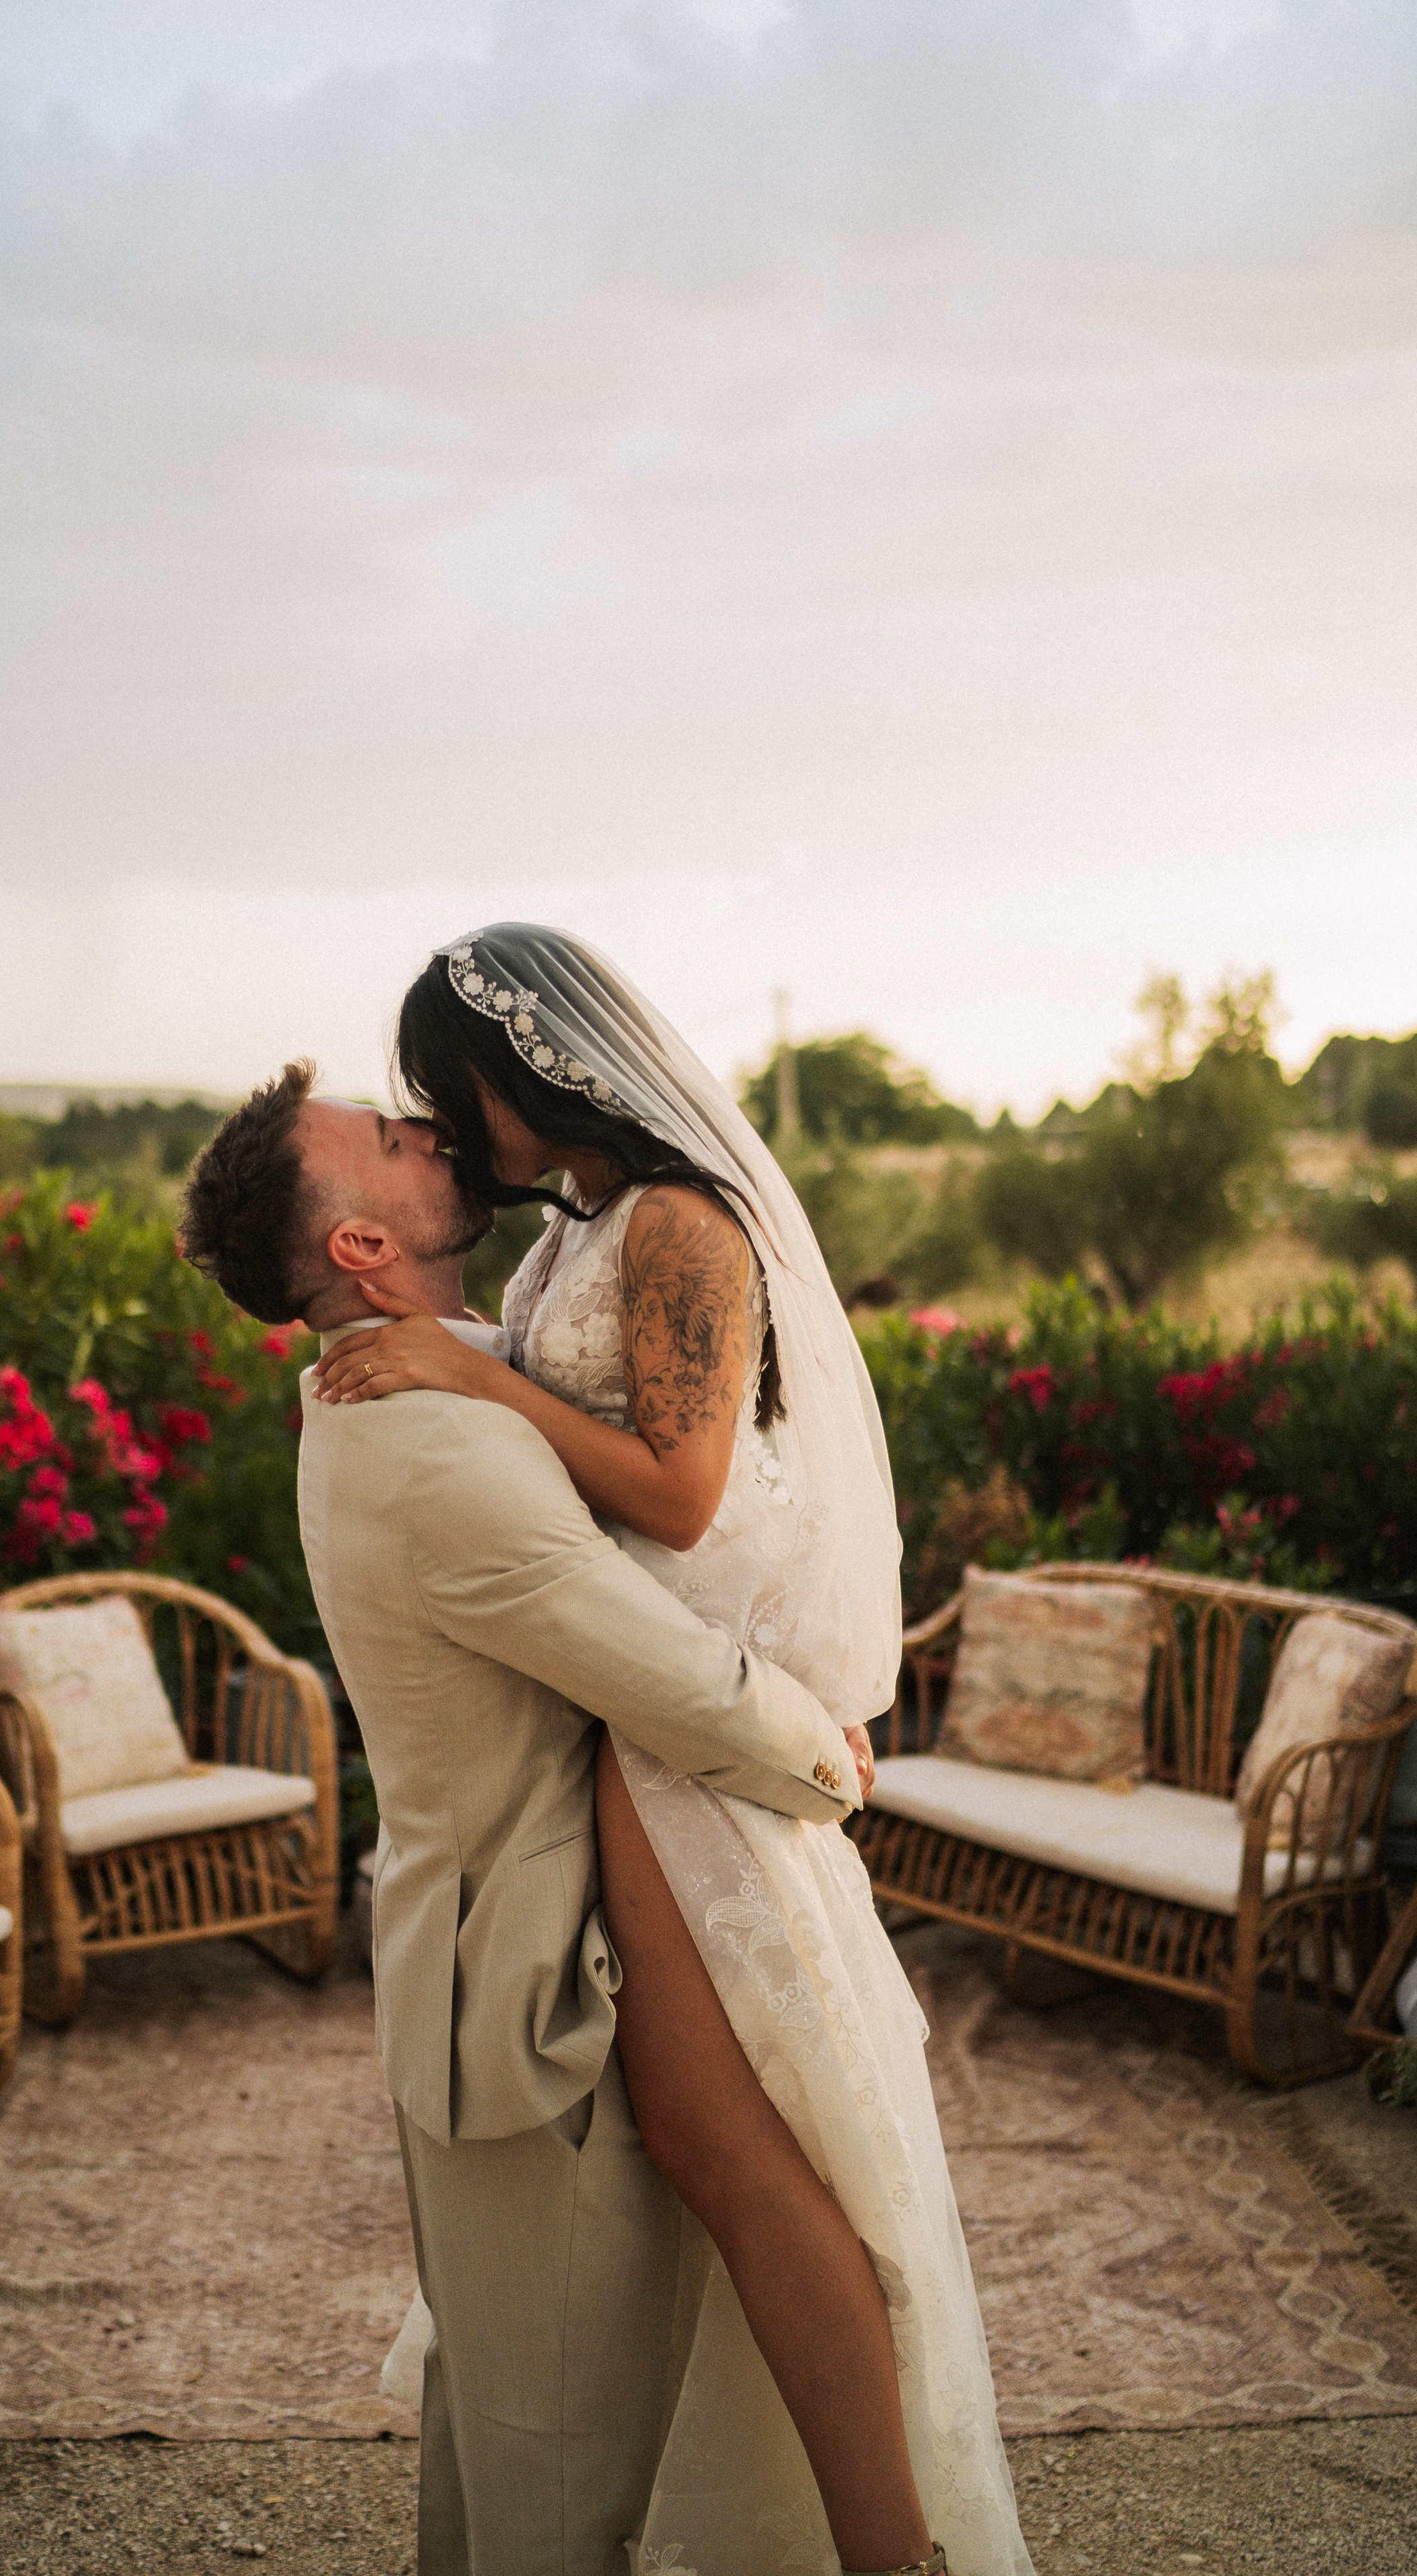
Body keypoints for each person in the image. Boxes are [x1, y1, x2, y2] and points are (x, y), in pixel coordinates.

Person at [309, 926, 1031, 2576]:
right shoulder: (573, 1241)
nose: (448, 1127)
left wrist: (462, 1375)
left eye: (451, 1095)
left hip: (683, 1741)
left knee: (743, 2154)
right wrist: (470, 1361)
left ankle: (889, 2551)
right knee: (721, 2154)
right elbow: (573, 1443)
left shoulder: (687, 1226)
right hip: (633, 1722)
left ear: (529, 1073)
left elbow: (679, 1489)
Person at [178, 1067, 887, 2576]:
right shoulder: (435, 1445)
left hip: (488, 1968)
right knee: (553, 2480)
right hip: (527, 2000)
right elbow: (672, 1682)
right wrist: (825, 1754)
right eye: (387, 1137)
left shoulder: (425, 1375)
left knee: (495, 2430)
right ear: (362, 1250)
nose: (425, 1128)